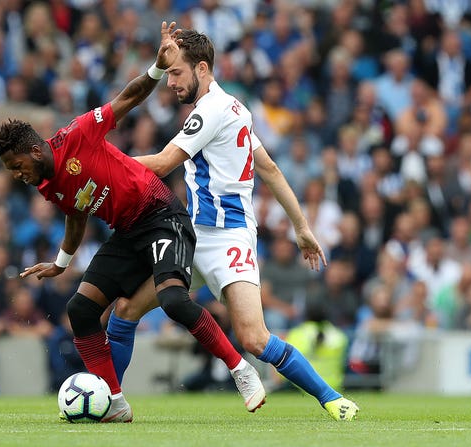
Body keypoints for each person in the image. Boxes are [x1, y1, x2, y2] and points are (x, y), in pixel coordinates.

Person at [0, 22, 264, 423]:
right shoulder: (47, 183)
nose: (18, 175)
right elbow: (76, 213)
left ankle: (240, 369)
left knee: (173, 300)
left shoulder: (78, 135)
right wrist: (62, 263)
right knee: (81, 309)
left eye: (17, 166)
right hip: (127, 234)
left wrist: (156, 68)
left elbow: (129, 97)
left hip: (161, 217)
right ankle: (116, 404)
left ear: (35, 150)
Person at [107, 29, 359, 421]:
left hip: (228, 240)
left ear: (202, 68)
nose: (170, 84)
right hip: (191, 237)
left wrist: (99, 160)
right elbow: (270, 169)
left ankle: (332, 398)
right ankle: (112, 404)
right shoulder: (236, 109)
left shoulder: (212, 110)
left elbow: (161, 164)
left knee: (255, 338)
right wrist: (301, 227)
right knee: (125, 310)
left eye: (175, 74)